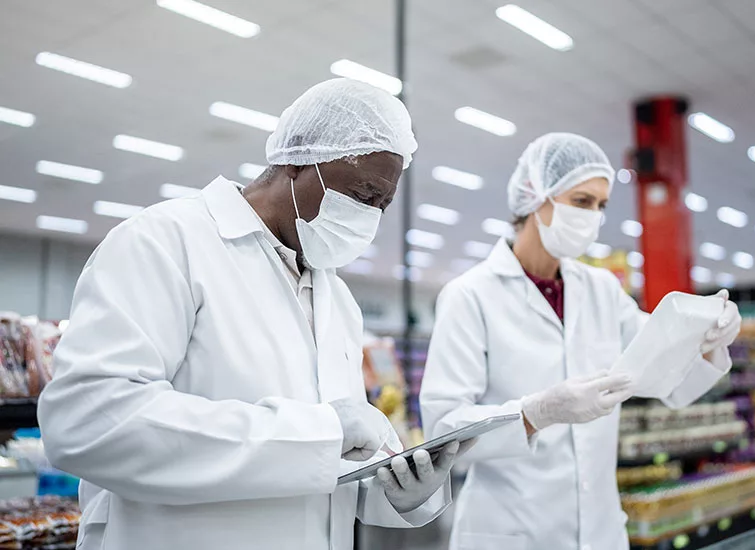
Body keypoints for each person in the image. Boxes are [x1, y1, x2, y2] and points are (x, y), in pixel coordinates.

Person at [37, 78, 459, 550]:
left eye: (382, 204)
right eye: (363, 194)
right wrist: (318, 435)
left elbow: (329, 470)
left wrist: (400, 489)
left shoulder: (337, 298)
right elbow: (89, 422)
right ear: (297, 162)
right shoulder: (166, 242)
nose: (370, 217)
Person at [419, 132, 742, 550]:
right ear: (536, 195)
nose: (593, 216)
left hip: (600, 531)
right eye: (582, 201)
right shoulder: (470, 295)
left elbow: (670, 380)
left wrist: (709, 336)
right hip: (511, 530)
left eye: (601, 205)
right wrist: (536, 413)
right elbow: (443, 429)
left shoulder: (603, 290)